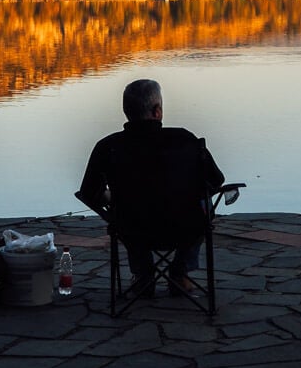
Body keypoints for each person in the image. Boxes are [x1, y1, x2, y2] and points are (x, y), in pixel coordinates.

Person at [76, 79, 224, 295]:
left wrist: (110, 197)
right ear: (157, 111)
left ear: (126, 111)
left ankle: (144, 275)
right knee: (205, 202)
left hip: (133, 229)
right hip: (185, 228)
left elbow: (89, 193)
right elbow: (216, 180)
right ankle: (180, 273)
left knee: (121, 210)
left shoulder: (108, 146)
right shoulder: (185, 140)